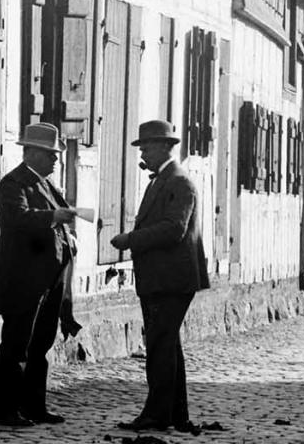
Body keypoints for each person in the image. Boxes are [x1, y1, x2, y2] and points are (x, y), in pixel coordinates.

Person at [111, 120, 209, 433]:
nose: (144, 154)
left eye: (147, 147)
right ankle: (176, 414)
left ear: (165, 147)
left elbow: (174, 229)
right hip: (160, 277)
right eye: (142, 148)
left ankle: (156, 414)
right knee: (166, 344)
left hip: (171, 279)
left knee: (160, 345)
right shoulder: (162, 180)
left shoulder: (178, 182)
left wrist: (131, 240)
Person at [0, 123, 81, 427]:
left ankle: (34, 406)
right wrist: (54, 218)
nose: (56, 160)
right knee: (17, 345)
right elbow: (17, 220)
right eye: (49, 154)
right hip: (23, 280)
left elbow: (57, 221)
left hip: (49, 279)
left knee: (41, 345)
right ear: (30, 152)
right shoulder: (13, 183)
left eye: (55, 155)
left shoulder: (47, 184)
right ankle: (7, 411)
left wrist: (68, 236)